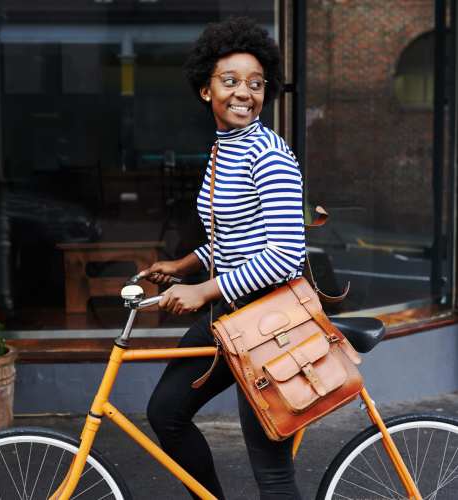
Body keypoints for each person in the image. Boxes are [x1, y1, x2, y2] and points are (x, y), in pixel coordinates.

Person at [142, 17, 305, 499]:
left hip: (269, 324)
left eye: (255, 84)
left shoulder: (268, 153)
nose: (244, 93)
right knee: (166, 414)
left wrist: (202, 290)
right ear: (204, 90)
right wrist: (184, 265)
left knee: (271, 468)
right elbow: (237, 237)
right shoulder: (224, 150)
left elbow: (283, 256)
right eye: (230, 81)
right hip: (228, 314)